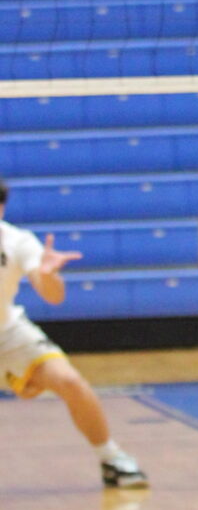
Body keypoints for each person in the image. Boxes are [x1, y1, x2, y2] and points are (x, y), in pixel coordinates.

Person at [0, 182, 147, 489]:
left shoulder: (17, 241)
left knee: (69, 382)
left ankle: (112, 459)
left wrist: (50, 274)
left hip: (7, 333)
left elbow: (53, 296)